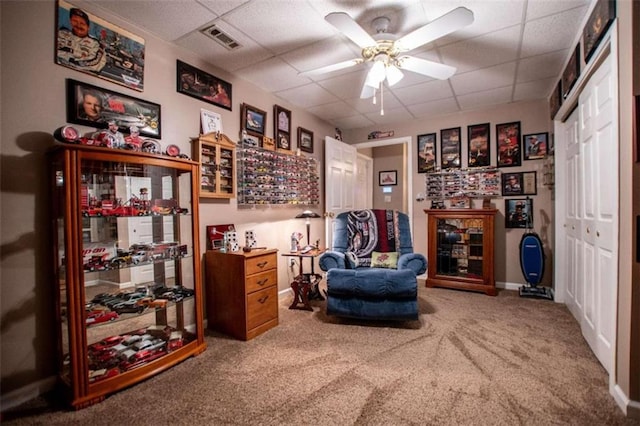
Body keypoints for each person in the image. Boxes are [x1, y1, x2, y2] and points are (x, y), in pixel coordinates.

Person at [57, 7, 107, 73]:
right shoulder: (61, 34)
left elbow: (96, 65)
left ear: (88, 27)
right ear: (70, 21)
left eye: (82, 23)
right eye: (75, 21)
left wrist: (70, 59)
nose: (78, 25)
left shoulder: (96, 44)